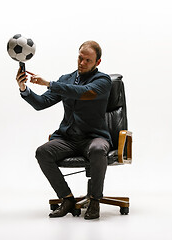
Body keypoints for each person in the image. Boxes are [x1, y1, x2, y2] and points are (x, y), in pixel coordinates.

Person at [15, 41, 112, 220]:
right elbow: (41, 103)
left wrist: (50, 83)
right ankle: (67, 199)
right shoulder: (65, 79)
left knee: (98, 150)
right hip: (68, 138)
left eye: (88, 60)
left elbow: (84, 92)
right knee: (43, 152)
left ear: (97, 62)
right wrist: (24, 89)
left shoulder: (103, 81)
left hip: (94, 137)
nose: (82, 63)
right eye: (80, 58)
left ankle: (95, 200)